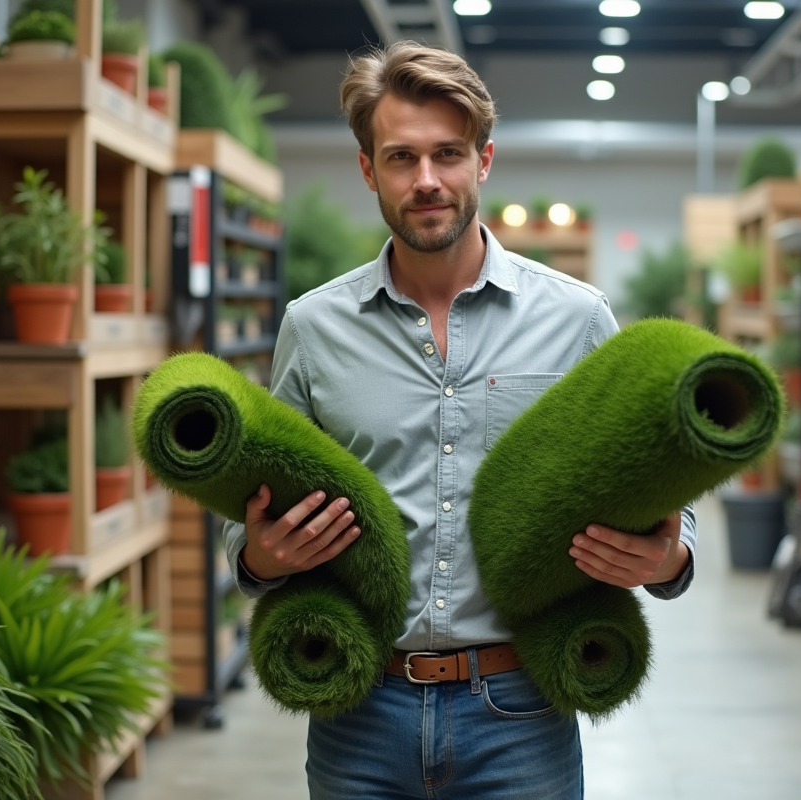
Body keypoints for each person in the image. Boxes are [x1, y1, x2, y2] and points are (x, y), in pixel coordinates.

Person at [224, 40, 697, 800]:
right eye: (402, 157)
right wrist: (261, 559)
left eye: (448, 154)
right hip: (359, 712)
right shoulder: (312, 328)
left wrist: (665, 562)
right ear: (368, 170)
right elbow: (247, 515)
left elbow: (667, 502)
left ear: (483, 160)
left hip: (518, 713)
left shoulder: (576, 320)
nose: (427, 181)